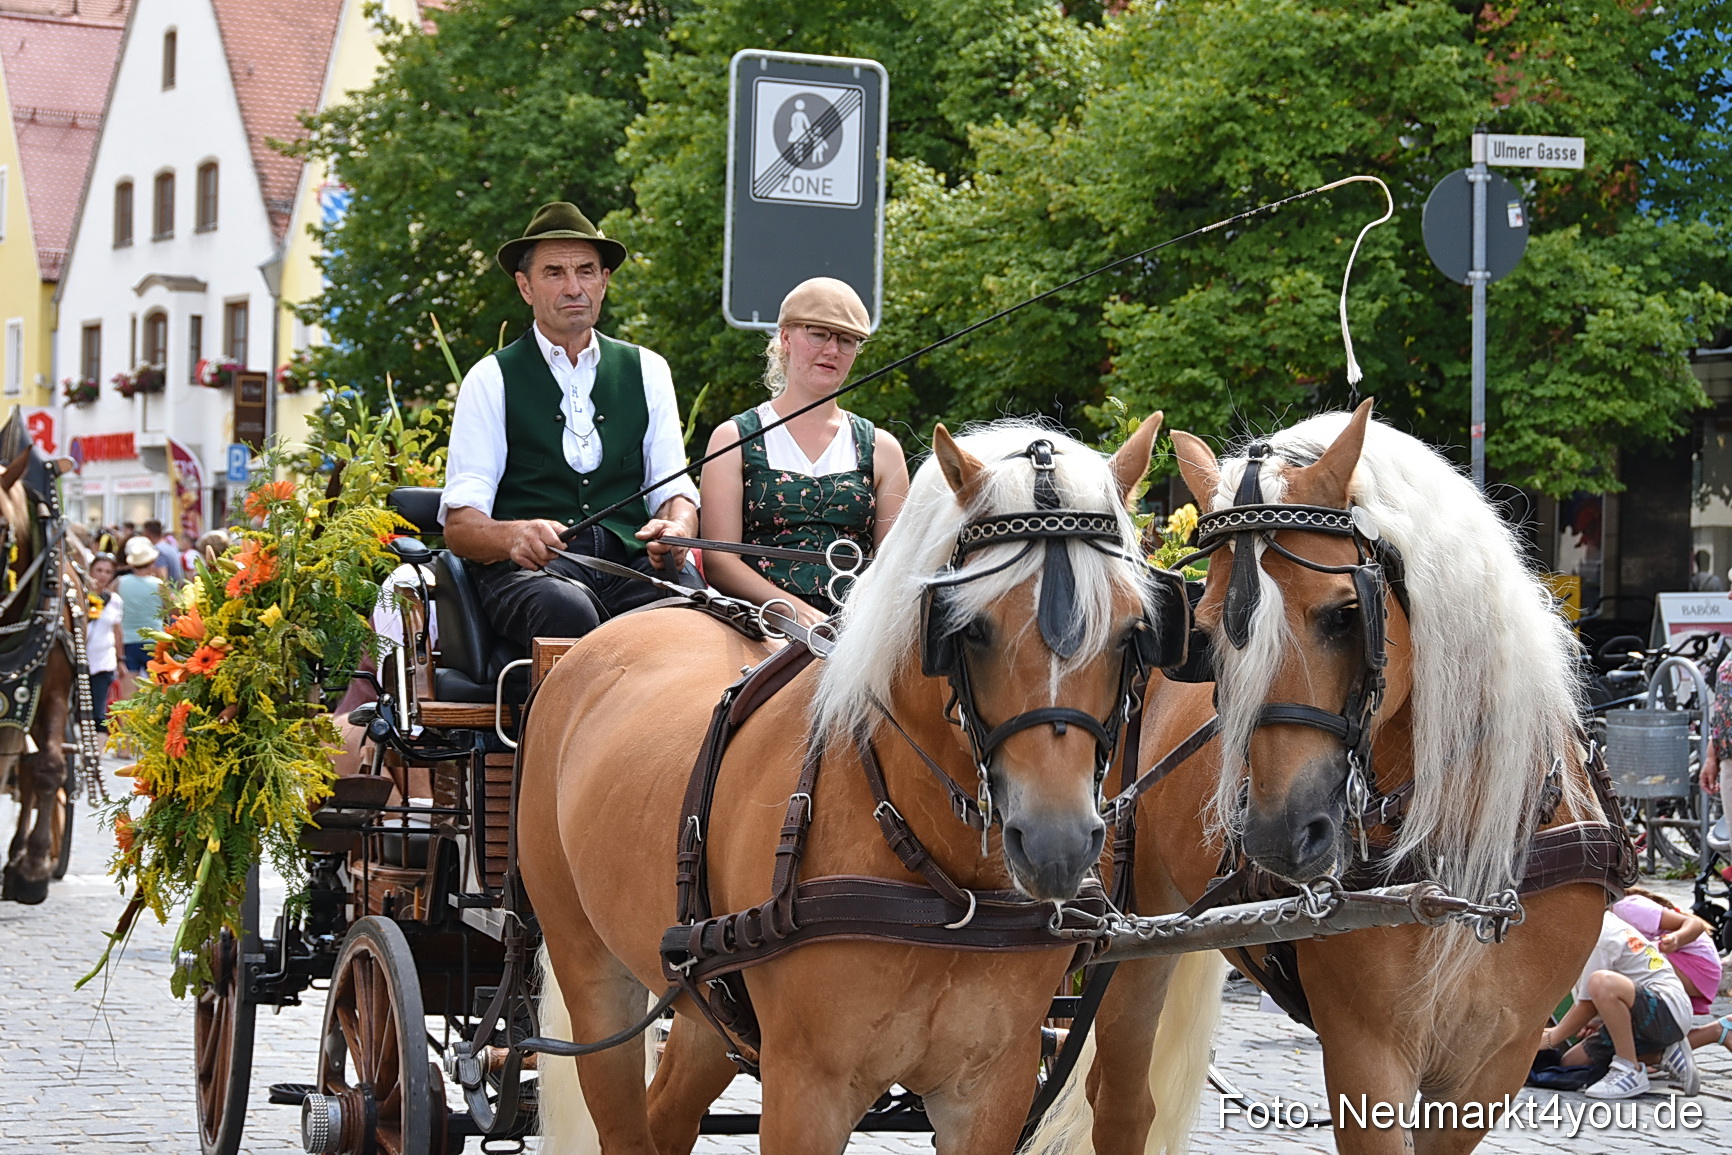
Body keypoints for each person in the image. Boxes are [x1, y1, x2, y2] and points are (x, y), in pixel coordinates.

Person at [439, 202, 701, 647]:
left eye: (585, 270)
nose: (573, 287)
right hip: (532, 573)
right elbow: (460, 526)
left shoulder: (648, 370)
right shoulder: (491, 379)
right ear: (525, 287)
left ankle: (680, 721)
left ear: (604, 281)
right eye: (555, 273)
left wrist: (677, 529)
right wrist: (512, 535)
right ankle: (564, 720)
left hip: (630, 565)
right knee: (566, 608)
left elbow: (674, 492)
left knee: (693, 610)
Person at [699, 278, 908, 627]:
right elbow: (720, 560)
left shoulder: (882, 449)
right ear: (785, 338)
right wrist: (789, 609)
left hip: (855, 630)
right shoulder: (733, 439)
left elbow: (892, 565)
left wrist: (853, 624)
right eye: (818, 334)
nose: (832, 350)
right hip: (755, 625)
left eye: (846, 340)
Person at [1540, 909, 1698, 1098]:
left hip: (1667, 1010)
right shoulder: (1584, 928)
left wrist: (1551, 1039)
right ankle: (1662, 1054)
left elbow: (1590, 1003)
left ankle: (1629, 1068)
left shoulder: (1596, 934)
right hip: (1642, 1016)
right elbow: (1586, 1001)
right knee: (1571, 1063)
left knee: (1601, 982)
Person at [115, 537, 166, 679]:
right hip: (154, 641)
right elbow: (174, 609)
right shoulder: (159, 584)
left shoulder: (119, 582)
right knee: (156, 692)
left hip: (127, 642)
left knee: (129, 696)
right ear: (151, 563)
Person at [84, 553, 124, 729]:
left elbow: (117, 631)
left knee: (99, 712)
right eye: (98, 570)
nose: (102, 575)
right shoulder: (80, 596)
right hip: (80, 660)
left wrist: (120, 659)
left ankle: (96, 755)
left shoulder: (115, 601)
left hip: (103, 662)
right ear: (90, 571)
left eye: (108, 572)